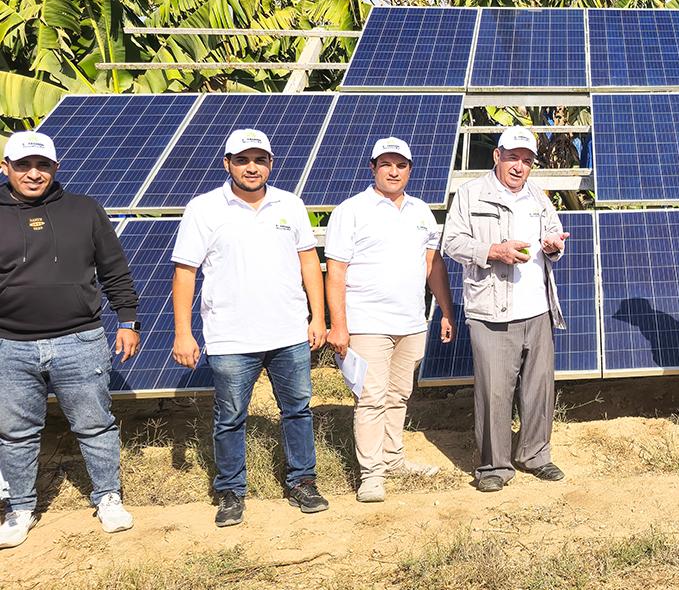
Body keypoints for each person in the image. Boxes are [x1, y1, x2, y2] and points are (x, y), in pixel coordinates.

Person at [170, 129, 328, 527]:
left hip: (288, 332)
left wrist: (318, 316)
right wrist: (183, 332)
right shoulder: (203, 209)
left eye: (259, 160)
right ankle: (230, 491)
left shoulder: (289, 205)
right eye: (242, 160)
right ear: (228, 164)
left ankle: (302, 481)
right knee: (230, 417)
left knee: (297, 411)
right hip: (230, 336)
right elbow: (185, 272)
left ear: (270, 164)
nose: (251, 167)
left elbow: (309, 261)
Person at [0, 132, 141, 549]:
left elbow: (114, 269)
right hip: (10, 344)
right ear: (5, 167)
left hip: (80, 340)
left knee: (95, 425)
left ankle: (108, 497)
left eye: (42, 165)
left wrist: (128, 320)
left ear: (55, 169)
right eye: (23, 165)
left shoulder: (84, 210)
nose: (33, 173)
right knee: (15, 432)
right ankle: (21, 508)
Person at [325, 137, 456, 503]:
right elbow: (335, 271)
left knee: (399, 395)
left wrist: (445, 311)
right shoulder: (350, 211)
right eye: (386, 164)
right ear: (373, 168)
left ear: (409, 170)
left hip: (411, 323)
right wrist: (339, 324)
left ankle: (393, 458)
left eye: (400, 165)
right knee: (370, 398)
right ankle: (371, 474)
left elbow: (433, 265)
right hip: (367, 323)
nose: (393, 171)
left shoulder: (421, 212)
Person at [442, 126, 570, 493]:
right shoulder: (471, 194)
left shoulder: (537, 197)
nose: (519, 166)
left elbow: (555, 236)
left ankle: (535, 455)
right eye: (513, 157)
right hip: (492, 310)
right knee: (495, 391)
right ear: (497, 156)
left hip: (537, 308)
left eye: (527, 160)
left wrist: (552, 245)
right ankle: (493, 466)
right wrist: (492, 252)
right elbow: (451, 242)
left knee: (539, 388)